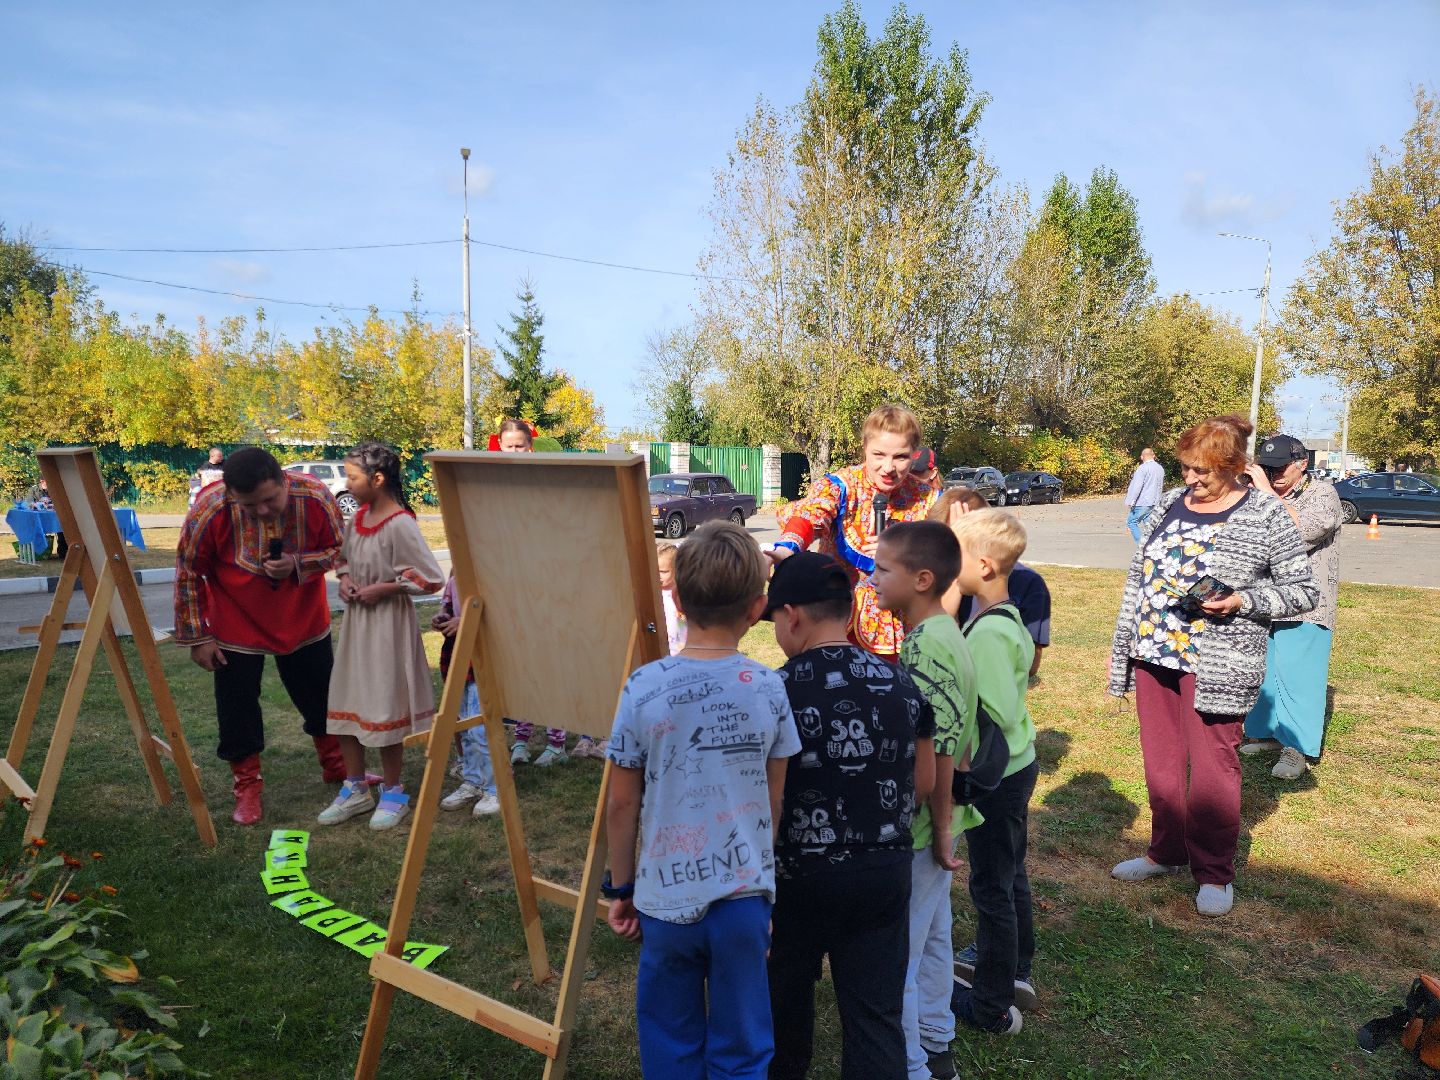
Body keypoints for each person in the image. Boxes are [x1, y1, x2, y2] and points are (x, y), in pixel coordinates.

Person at [603, 521, 801, 1080]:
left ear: (678, 599)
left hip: (664, 899)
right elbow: (775, 800)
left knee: (669, 1035)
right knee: (743, 1041)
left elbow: (622, 804)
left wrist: (621, 887)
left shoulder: (642, 686)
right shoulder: (770, 687)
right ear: (758, 607)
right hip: (743, 900)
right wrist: (765, 892)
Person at [1108, 415, 1317, 917]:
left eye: (1203, 471)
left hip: (1218, 662)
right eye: (1186, 467)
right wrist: (1127, 642)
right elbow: (1140, 576)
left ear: (1235, 467)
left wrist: (1242, 600)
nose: (1191, 479)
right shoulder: (1168, 503)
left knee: (1211, 768)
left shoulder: (1264, 513)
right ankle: (1166, 851)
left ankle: (1214, 871)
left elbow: (1304, 590)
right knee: (1161, 761)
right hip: (1154, 652)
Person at [766, 552, 937, 1080]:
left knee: (781, 1007)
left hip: (796, 875)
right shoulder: (901, 683)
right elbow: (925, 783)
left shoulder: (775, 689)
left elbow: (764, 795)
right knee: (875, 1016)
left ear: (791, 616)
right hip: (883, 871)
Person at [174, 446, 347, 825]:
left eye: (270, 500)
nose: (263, 511)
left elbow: (343, 551)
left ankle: (337, 765)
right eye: (250, 506)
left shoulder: (315, 496)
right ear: (232, 495)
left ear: (284, 481)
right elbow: (188, 570)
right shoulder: (210, 508)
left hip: (302, 616)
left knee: (320, 693)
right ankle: (247, 785)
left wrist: (299, 563)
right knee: (236, 706)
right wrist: (198, 636)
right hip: (235, 620)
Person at [871, 521, 980, 1080]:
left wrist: (938, 831)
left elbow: (938, 750)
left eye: (882, 569)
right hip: (941, 818)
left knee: (901, 955)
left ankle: (912, 1065)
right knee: (935, 935)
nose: (872, 579)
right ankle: (936, 1037)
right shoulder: (943, 634)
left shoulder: (926, 647)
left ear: (921, 579)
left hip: (924, 827)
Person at [318, 442, 445, 831]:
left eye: (352, 477)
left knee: (385, 703)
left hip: (388, 626)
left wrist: (386, 588)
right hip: (358, 626)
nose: (347, 484)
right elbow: (343, 559)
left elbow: (431, 578)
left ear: (377, 479)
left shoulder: (401, 524)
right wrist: (346, 580)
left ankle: (393, 792)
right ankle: (356, 788)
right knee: (346, 699)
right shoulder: (357, 519)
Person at [947, 510, 1037, 1037]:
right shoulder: (1003, 616)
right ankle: (1018, 969)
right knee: (1010, 874)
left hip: (996, 777)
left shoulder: (986, 633)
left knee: (992, 888)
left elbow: (995, 710)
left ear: (982, 565)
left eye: (954, 554)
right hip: (1016, 766)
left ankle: (992, 1004)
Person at [773, 405, 940, 661]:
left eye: (900, 457)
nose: (888, 467)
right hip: (839, 624)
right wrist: (786, 548)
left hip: (908, 628)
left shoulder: (928, 499)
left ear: (914, 454)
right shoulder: (841, 486)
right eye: (879, 455)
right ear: (864, 447)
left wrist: (908, 557)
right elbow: (810, 515)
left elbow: (949, 560)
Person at [493, 420, 604, 765]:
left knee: (556, 664)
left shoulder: (547, 482)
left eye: (520, 446)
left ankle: (556, 743)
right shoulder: (495, 486)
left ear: (530, 447)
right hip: (517, 588)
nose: (514, 452)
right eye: (508, 446)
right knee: (524, 667)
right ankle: (521, 739)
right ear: (500, 446)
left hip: (554, 586)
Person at [1240, 433, 1343, 780]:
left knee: (1300, 677)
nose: (1274, 475)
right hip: (1264, 600)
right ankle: (1268, 734)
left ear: (1302, 464)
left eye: (1281, 468)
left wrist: (1266, 496)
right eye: (1268, 469)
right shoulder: (1260, 494)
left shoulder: (1323, 494)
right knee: (1265, 673)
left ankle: (1295, 749)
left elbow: (1300, 533)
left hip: (1306, 605)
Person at [929, 488, 1051, 684]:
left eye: (953, 547)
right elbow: (935, 642)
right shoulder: (936, 575)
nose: (943, 555)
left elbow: (1029, 666)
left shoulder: (1028, 583)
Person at [434, 574, 501, 817]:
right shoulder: (455, 575)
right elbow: (448, 606)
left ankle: (495, 787)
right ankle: (473, 780)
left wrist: (466, 621)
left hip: (482, 655)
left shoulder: (488, 570)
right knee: (462, 725)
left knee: (479, 727)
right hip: (458, 654)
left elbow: (499, 611)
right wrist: (443, 618)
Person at [1123, 448, 1165, 543]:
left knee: (1131, 522)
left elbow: (1137, 487)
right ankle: (1153, 543)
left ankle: (1142, 546)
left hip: (1142, 502)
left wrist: (1131, 501)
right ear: (1154, 456)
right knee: (1149, 524)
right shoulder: (1160, 468)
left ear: (1142, 457)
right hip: (1155, 501)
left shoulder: (1142, 468)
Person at [656, 540, 686, 654]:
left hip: (681, 649)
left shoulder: (681, 592)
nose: (658, 575)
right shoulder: (653, 592)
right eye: (655, 570)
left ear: (676, 569)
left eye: (663, 572)